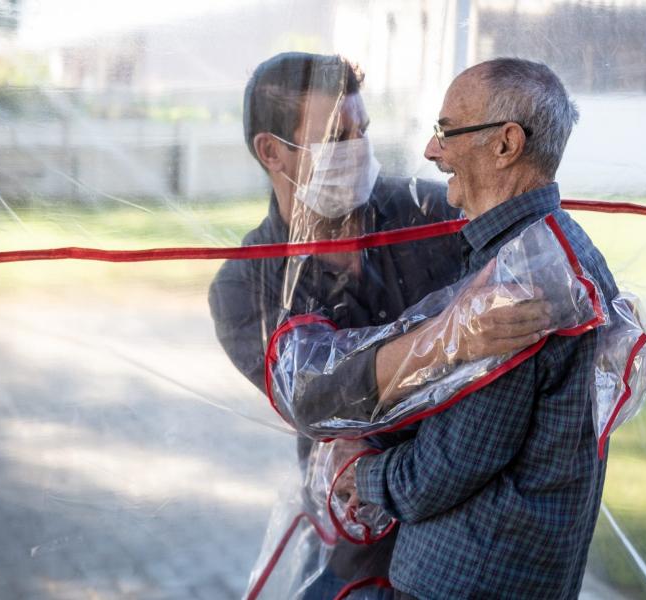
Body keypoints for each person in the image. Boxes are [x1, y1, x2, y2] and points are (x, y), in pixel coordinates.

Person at [208, 53, 549, 598]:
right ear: (272, 152)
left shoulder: (435, 215)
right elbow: (315, 392)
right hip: (359, 538)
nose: (357, 148)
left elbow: (533, 275)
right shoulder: (245, 285)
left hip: (469, 531)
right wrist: (449, 337)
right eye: (336, 136)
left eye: (362, 129)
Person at [352, 57, 619, 600]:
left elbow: (442, 470)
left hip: (467, 583)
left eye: (446, 132)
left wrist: (355, 473)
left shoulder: (522, 277)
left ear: (505, 144)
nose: (432, 150)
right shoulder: (541, 247)